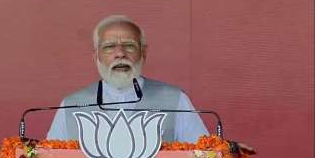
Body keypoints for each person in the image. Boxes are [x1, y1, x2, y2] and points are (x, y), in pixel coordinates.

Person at [47, 15, 209, 143]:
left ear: (143, 53)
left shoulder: (175, 100)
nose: (120, 54)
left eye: (129, 45)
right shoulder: (70, 105)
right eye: (109, 47)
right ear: (96, 56)